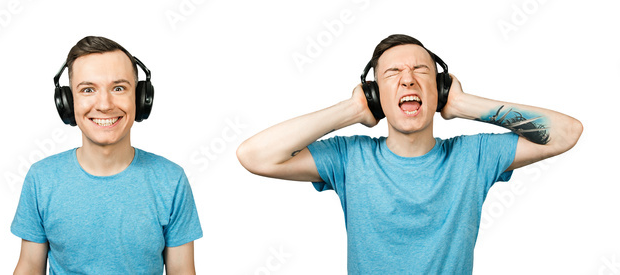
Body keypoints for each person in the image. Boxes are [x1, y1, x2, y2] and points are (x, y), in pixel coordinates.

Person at [236, 34, 583, 273]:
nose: (407, 79)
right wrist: (353, 109)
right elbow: (254, 156)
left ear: (440, 89)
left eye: (421, 71)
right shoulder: (349, 158)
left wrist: (462, 103)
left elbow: (566, 133)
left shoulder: (473, 156)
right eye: (392, 73)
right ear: (376, 95)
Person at [11, 36, 202, 274]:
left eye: (119, 88)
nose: (104, 104)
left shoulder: (171, 180)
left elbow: (182, 271)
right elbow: (29, 266)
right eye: (88, 89)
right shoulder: (41, 179)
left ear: (141, 98)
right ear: (68, 102)